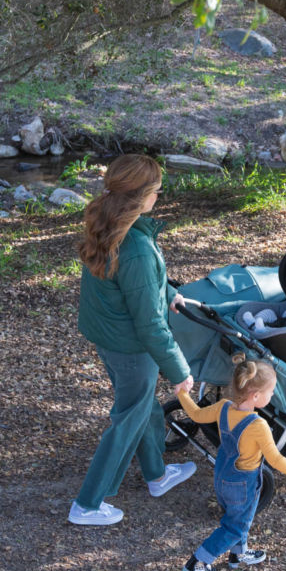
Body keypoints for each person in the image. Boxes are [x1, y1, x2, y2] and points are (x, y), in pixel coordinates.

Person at [69, 154, 196, 526]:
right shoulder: (136, 246)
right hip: (131, 347)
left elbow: (131, 284)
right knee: (128, 418)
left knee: (143, 407)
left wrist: (168, 289)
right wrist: (180, 371)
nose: (159, 196)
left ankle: (157, 475)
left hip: (109, 337)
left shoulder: (109, 224)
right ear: (140, 197)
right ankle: (88, 504)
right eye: (156, 191)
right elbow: (151, 325)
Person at [175, 355, 286, 571]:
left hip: (223, 476)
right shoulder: (258, 426)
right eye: (271, 391)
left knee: (242, 517)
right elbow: (275, 459)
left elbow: (197, 414)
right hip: (243, 482)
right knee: (234, 526)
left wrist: (182, 393)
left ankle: (238, 554)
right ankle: (198, 562)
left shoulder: (223, 407)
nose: (273, 394)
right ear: (255, 396)